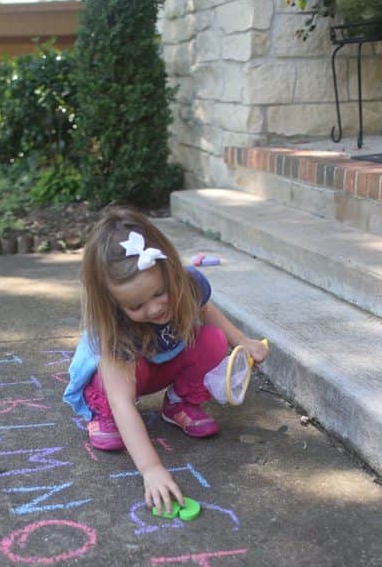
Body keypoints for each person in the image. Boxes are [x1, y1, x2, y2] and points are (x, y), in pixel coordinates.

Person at [63, 207, 269, 515]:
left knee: (212, 340)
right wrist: (151, 469)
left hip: (161, 364)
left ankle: (178, 404)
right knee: (109, 391)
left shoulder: (186, 283)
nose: (155, 308)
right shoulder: (116, 330)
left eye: (160, 293)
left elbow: (207, 310)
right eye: (137, 305)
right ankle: (100, 414)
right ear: (115, 305)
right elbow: (123, 401)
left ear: (170, 270)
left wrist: (242, 341)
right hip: (124, 379)